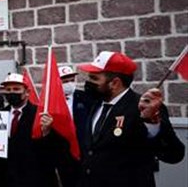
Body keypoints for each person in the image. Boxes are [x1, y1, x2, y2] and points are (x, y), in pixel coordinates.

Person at [76, 51, 185, 187]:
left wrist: (152, 123)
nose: (88, 83)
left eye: (94, 78)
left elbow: (174, 154)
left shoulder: (143, 108)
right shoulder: (97, 104)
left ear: (114, 83)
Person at [0, 73, 58, 187]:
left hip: (31, 178)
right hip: (4, 178)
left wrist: (47, 132)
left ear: (27, 92)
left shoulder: (40, 115)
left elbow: (51, 151)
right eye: (8, 89)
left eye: (16, 89)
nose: (12, 92)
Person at [54, 66, 93, 187]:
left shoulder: (85, 97)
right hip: (63, 150)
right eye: (65, 81)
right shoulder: (52, 100)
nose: (69, 84)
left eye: (71, 80)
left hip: (83, 148)